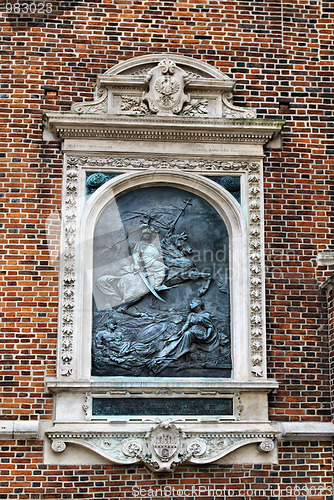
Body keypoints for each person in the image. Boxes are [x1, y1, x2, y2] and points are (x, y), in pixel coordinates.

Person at [152, 298, 219, 373]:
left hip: (201, 333)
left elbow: (210, 326)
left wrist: (207, 335)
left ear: (199, 306)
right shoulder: (191, 315)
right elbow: (186, 324)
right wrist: (182, 330)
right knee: (178, 337)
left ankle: (179, 353)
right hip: (191, 331)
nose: (195, 309)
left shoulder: (206, 314)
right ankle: (170, 353)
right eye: (194, 308)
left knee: (187, 334)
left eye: (196, 307)